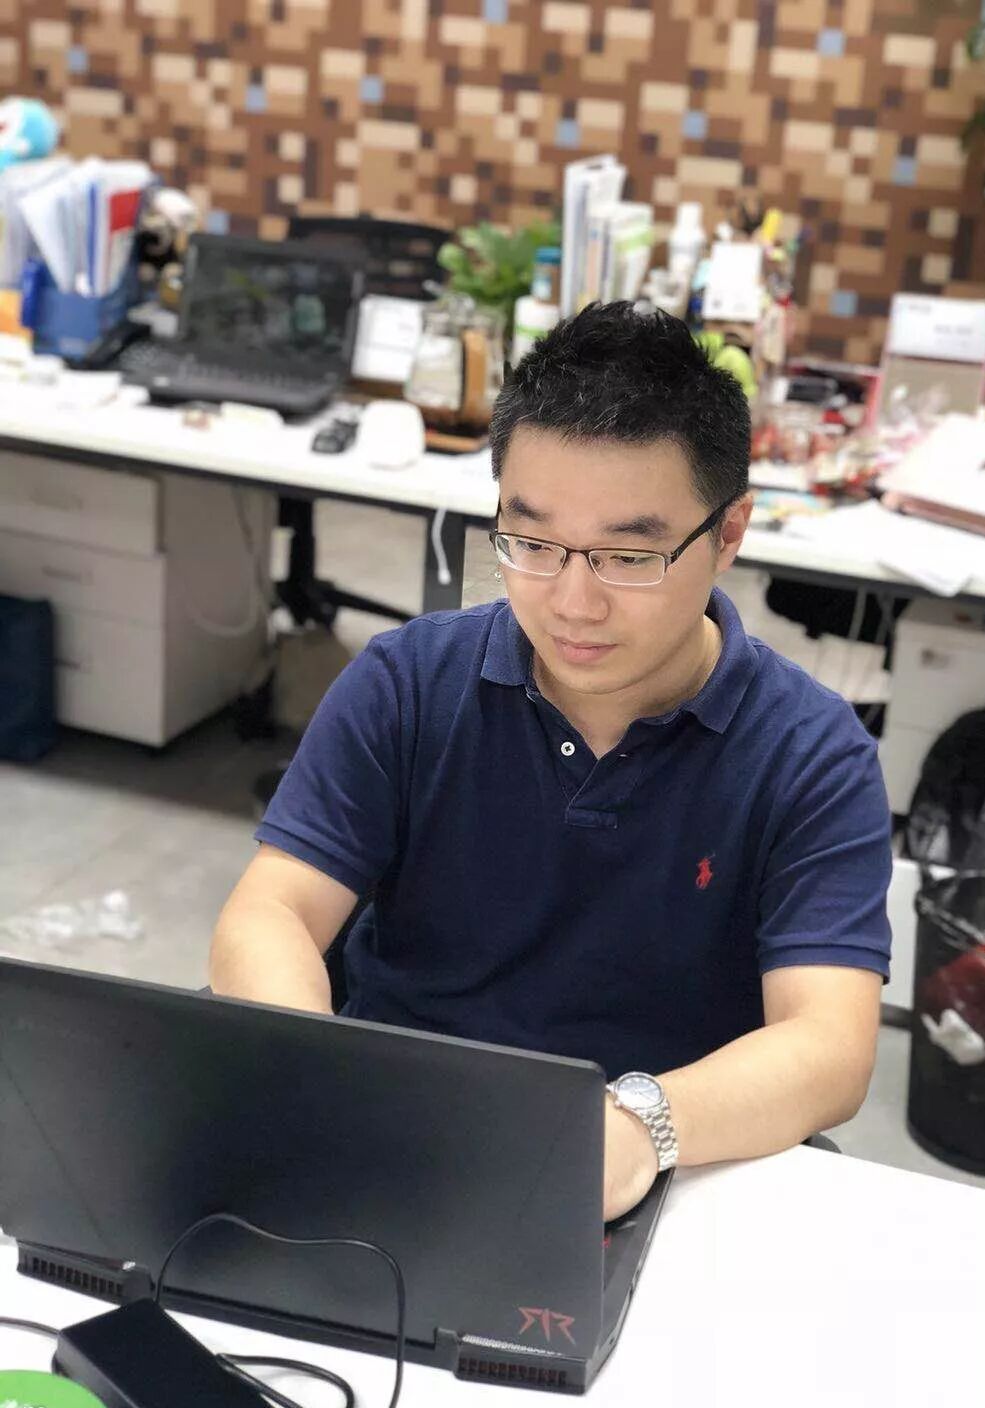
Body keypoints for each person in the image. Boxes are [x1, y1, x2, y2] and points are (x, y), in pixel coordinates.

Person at [211, 300, 892, 1220]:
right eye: (531, 544)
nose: (572, 603)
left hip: (658, 1171)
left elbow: (830, 1046)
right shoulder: (408, 683)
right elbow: (269, 912)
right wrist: (330, 1075)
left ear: (729, 533)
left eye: (628, 557)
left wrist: (637, 1128)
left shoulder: (810, 755)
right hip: (395, 1139)